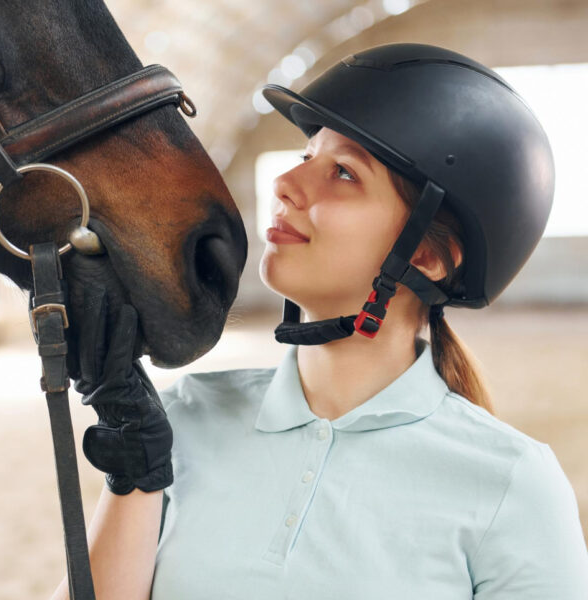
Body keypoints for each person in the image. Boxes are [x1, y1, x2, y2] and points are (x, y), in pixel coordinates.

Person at [52, 43, 588, 600]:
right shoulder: (182, 416)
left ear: (429, 257)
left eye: (344, 173)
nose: (287, 183)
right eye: (307, 155)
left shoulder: (512, 483)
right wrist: (135, 473)